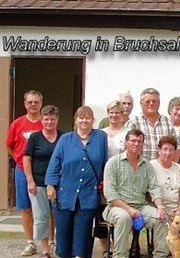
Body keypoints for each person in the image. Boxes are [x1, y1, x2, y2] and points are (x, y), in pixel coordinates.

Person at [45, 106, 108, 258]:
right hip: (65, 193)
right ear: (76, 120)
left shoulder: (100, 137)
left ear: (93, 120)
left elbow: (105, 162)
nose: (84, 120)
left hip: (88, 195)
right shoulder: (65, 139)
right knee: (63, 233)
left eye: (88, 117)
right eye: (81, 117)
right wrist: (50, 185)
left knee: (83, 234)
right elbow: (55, 163)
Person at [103, 129, 169, 258]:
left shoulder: (147, 166)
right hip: (117, 207)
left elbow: (154, 188)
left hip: (141, 207)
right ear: (126, 143)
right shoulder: (113, 163)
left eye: (139, 141)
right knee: (124, 218)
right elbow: (110, 194)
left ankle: (161, 255)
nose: (136, 144)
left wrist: (160, 207)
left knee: (162, 217)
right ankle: (120, 256)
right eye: (133, 140)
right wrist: (128, 209)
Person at [6, 89, 43, 256]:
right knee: (26, 208)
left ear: (41, 103)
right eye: (30, 102)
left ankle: (50, 241)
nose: (33, 105)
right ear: (25, 104)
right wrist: (18, 159)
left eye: (36, 102)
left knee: (47, 208)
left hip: (42, 171)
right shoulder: (17, 124)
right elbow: (9, 145)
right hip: (22, 171)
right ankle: (30, 243)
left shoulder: (46, 122)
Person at [23, 105, 62, 258]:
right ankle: (45, 249)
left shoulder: (64, 137)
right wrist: (30, 181)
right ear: (41, 119)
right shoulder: (35, 137)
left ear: (57, 120)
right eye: (46, 119)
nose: (49, 122)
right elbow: (27, 159)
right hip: (38, 183)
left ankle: (57, 245)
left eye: (52, 119)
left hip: (59, 184)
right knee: (41, 217)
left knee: (58, 215)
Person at [96, 100, 129, 257]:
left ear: (123, 114)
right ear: (107, 114)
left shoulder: (128, 133)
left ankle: (119, 247)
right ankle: (104, 248)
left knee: (121, 211)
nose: (114, 115)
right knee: (102, 212)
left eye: (118, 112)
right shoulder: (100, 133)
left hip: (123, 178)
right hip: (103, 176)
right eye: (111, 112)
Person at [149, 135, 180, 225]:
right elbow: (151, 190)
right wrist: (160, 207)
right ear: (159, 150)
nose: (168, 153)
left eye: (171, 150)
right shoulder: (151, 166)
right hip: (158, 207)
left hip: (176, 208)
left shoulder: (178, 168)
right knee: (163, 220)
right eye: (165, 149)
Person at [126, 88, 175, 161]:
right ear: (141, 103)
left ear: (159, 103)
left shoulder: (168, 122)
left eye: (154, 101)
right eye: (148, 101)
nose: (151, 103)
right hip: (140, 169)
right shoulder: (133, 123)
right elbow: (127, 149)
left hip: (163, 169)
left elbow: (176, 148)